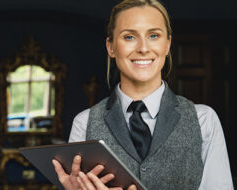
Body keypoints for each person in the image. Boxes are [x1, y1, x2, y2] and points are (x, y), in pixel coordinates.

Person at [52, 0, 234, 189]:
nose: (144, 48)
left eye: (154, 35)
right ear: (111, 47)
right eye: (129, 37)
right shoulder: (84, 122)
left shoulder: (204, 120)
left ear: (167, 44)